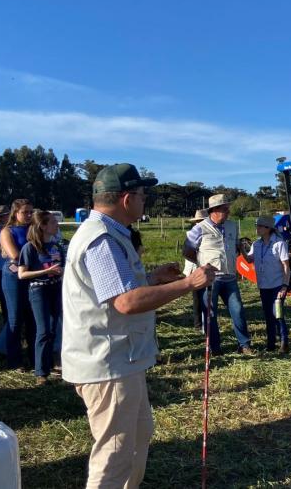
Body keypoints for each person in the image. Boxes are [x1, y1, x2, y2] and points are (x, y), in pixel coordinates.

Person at [62, 163, 216, 488]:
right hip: (109, 365)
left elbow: (115, 291)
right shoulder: (101, 239)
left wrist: (151, 279)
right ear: (127, 198)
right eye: (143, 195)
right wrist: (189, 284)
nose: (146, 201)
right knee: (115, 454)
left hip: (121, 360)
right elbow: (126, 302)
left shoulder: (109, 235)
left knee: (138, 436)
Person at [183, 194, 254, 354]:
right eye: (224, 209)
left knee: (238, 310)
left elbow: (237, 245)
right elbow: (187, 251)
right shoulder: (199, 228)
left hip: (230, 277)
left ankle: (244, 345)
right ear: (213, 211)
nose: (228, 212)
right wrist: (201, 264)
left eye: (228, 209)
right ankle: (215, 348)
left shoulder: (232, 226)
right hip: (210, 280)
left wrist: (246, 258)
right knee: (210, 314)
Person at [17, 210, 64, 385]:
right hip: (38, 291)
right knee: (43, 330)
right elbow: (22, 274)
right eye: (52, 222)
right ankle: (41, 372)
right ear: (42, 226)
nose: (56, 224)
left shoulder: (56, 246)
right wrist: (46, 271)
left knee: (54, 328)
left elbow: (62, 267)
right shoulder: (29, 248)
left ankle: (52, 363)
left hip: (56, 289)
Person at [245, 216, 291, 352]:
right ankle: (270, 344)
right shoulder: (256, 245)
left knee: (277, 313)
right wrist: (241, 248)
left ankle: (284, 342)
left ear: (268, 229)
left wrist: (284, 286)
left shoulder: (279, 243)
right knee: (268, 315)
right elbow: (249, 259)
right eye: (256, 226)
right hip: (264, 286)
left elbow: (286, 266)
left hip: (278, 285)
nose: (257, 228)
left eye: (259, 226)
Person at [0, 199, 36, 370]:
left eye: (31, 212)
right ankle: (15, 360)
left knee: (33, 318)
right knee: (15, 319)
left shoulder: (34, 229)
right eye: (25, 212)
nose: (29, 215)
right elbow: (15, 255)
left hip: (32, 275)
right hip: (14, 276)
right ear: (15, 213)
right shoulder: (7, 231)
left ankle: (35, 359)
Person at [183, 209, 208, 329]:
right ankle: (198, 324)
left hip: (202, 269)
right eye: (198, 221)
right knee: (198, 298)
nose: (199, 223)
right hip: (195, 269)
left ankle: (204, 322)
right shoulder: (191, 234)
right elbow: (187, 253)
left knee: (204, 297)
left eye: (201, 221)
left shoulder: (209, 234)